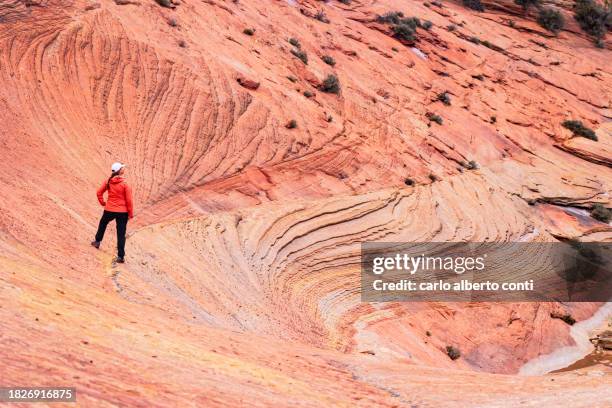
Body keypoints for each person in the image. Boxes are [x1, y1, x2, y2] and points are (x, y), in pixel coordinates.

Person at [91, 162, 134, 263]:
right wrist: (130, 213)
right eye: (122, 168)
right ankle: (120, 256)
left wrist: (103, 203)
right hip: (122, 212)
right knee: (121, 233)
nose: (124, 169)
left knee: (103, 223)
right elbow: (129, 200)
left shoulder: (108, 181)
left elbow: (99, 192)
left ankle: (97, 241)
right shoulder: (125, 184)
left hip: (109, 209)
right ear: (120, 171)